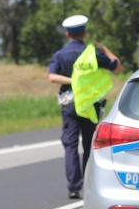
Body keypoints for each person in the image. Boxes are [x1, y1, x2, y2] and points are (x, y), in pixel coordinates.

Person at [49, 15, 121, 198]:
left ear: (67, 34)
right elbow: (117, 67)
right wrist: (105, 49)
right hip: (90, 104)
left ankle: (74, 187)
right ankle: (90, 184)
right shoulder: (93, 54)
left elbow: (52, 77)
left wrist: (73, 82)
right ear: (85, 33)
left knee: (71, 145)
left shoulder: (60, 55)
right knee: (90, 144)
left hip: (70, 102)